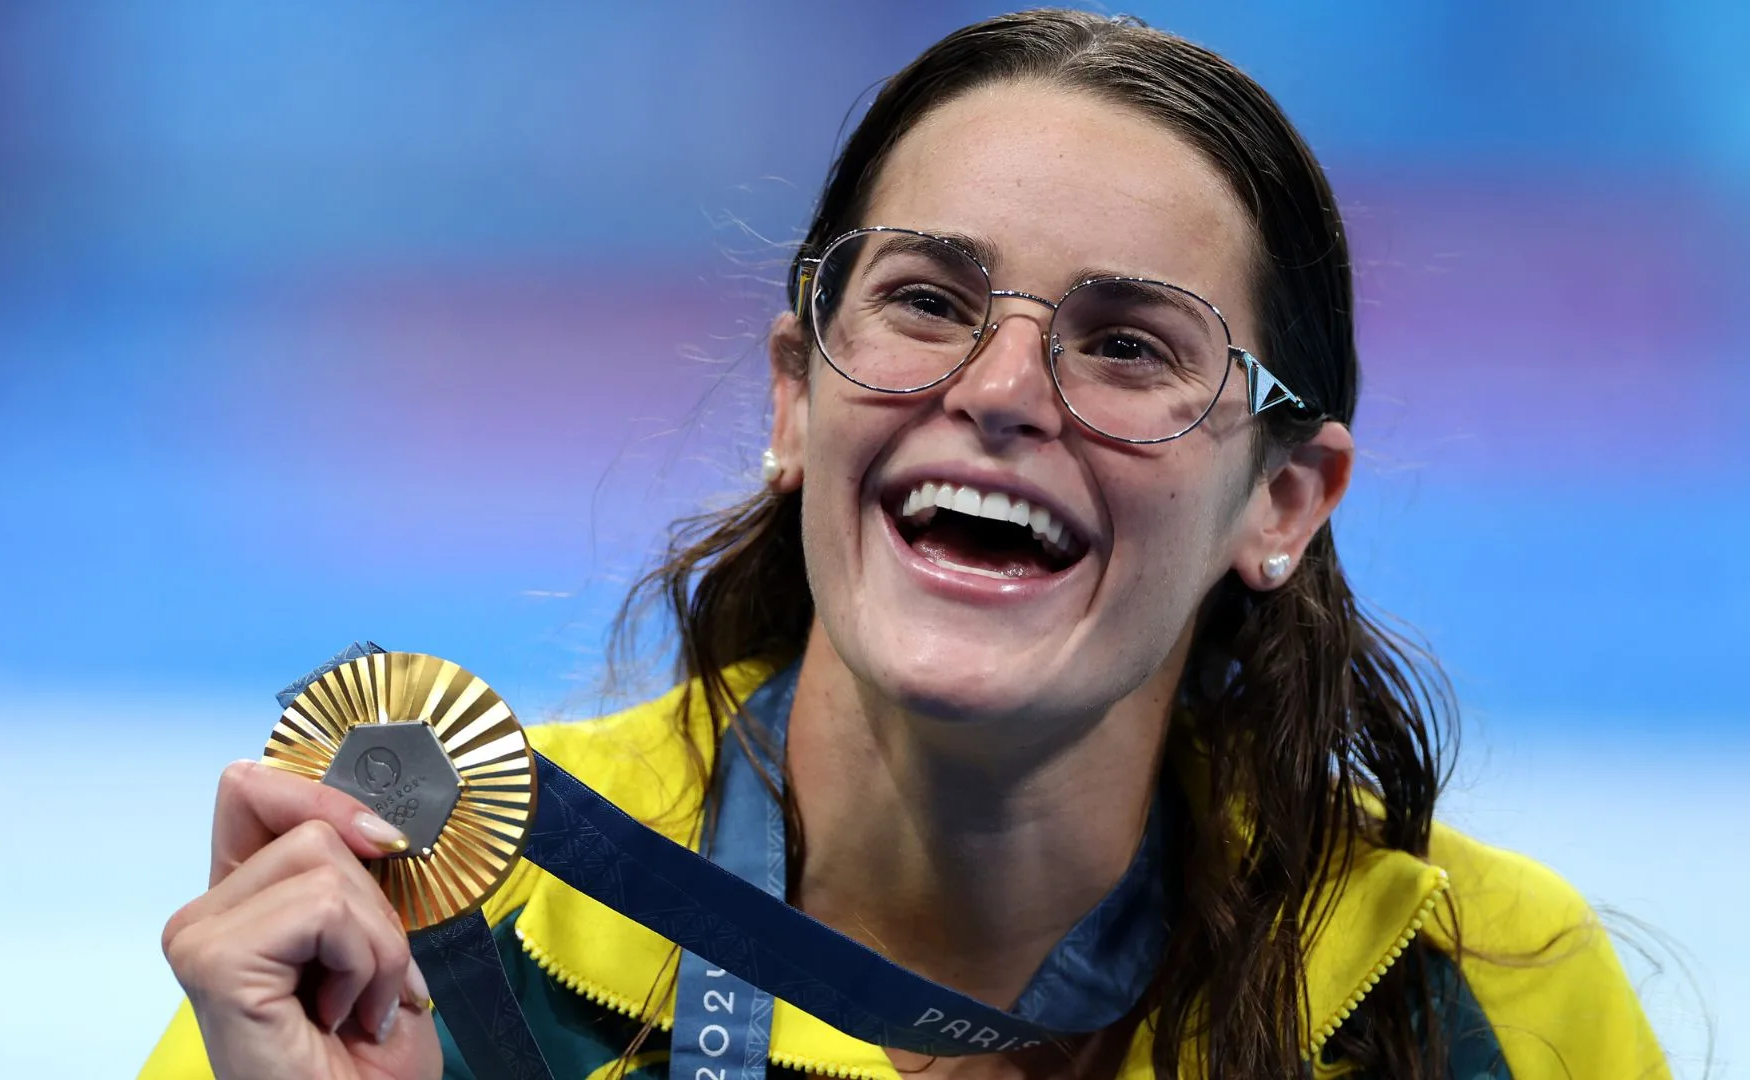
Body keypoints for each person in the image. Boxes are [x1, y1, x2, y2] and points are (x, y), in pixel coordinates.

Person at [141, 10, 1667, 1079]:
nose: (1000, 392)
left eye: (1130, 345)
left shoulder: (1479, 997)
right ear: (799, 397)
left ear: (1282, 503)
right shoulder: (429, 951)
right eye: (928, 301)